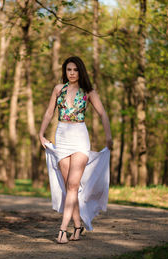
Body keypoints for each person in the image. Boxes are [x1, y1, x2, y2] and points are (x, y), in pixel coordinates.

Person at [39, 56, 113, 244]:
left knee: (72, 185)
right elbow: (49, 112)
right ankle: (78, 225)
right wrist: (41, 133)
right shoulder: (58, 89)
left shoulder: (88, 92)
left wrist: (109, 136)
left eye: (75, 70)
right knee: (69, 187)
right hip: (62, 137)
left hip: (80, 139)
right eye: (68, 70)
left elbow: (103, 113)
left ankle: (63, 230)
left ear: (81, 71)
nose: (71, 73)